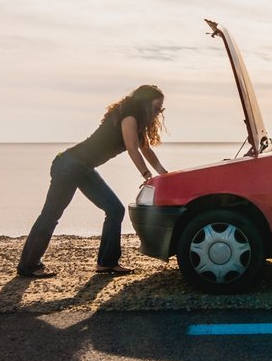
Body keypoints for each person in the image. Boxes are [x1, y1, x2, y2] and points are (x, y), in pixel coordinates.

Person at [17, 85, 169, 278]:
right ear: (144, 103)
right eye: (156, 108)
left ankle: (107, 263)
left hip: (82, 168)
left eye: (160, 109)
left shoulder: (137, 122)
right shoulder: (129, 117)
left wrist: (163, 174)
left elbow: (145, 149)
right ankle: (28, 265)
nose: (158, 113)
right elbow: (133, 149)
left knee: (115, 209)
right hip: (69, 165)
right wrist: (147, 175)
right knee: (51, 214)